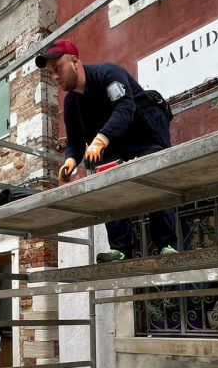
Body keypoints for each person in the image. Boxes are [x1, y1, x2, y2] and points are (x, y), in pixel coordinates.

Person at [37, 38, 177, 263]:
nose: (55, 76)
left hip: (144, 132)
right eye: (51, 72)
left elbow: (125, 108)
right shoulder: (71, 104)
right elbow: (75, 142)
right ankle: (121, 249)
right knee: (106, 181)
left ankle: (166, 244)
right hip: (114, 143)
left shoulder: (108, 75)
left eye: (57, 68)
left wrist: (100, 140)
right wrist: (70, 160)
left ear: (75, 62)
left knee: (154, 176)